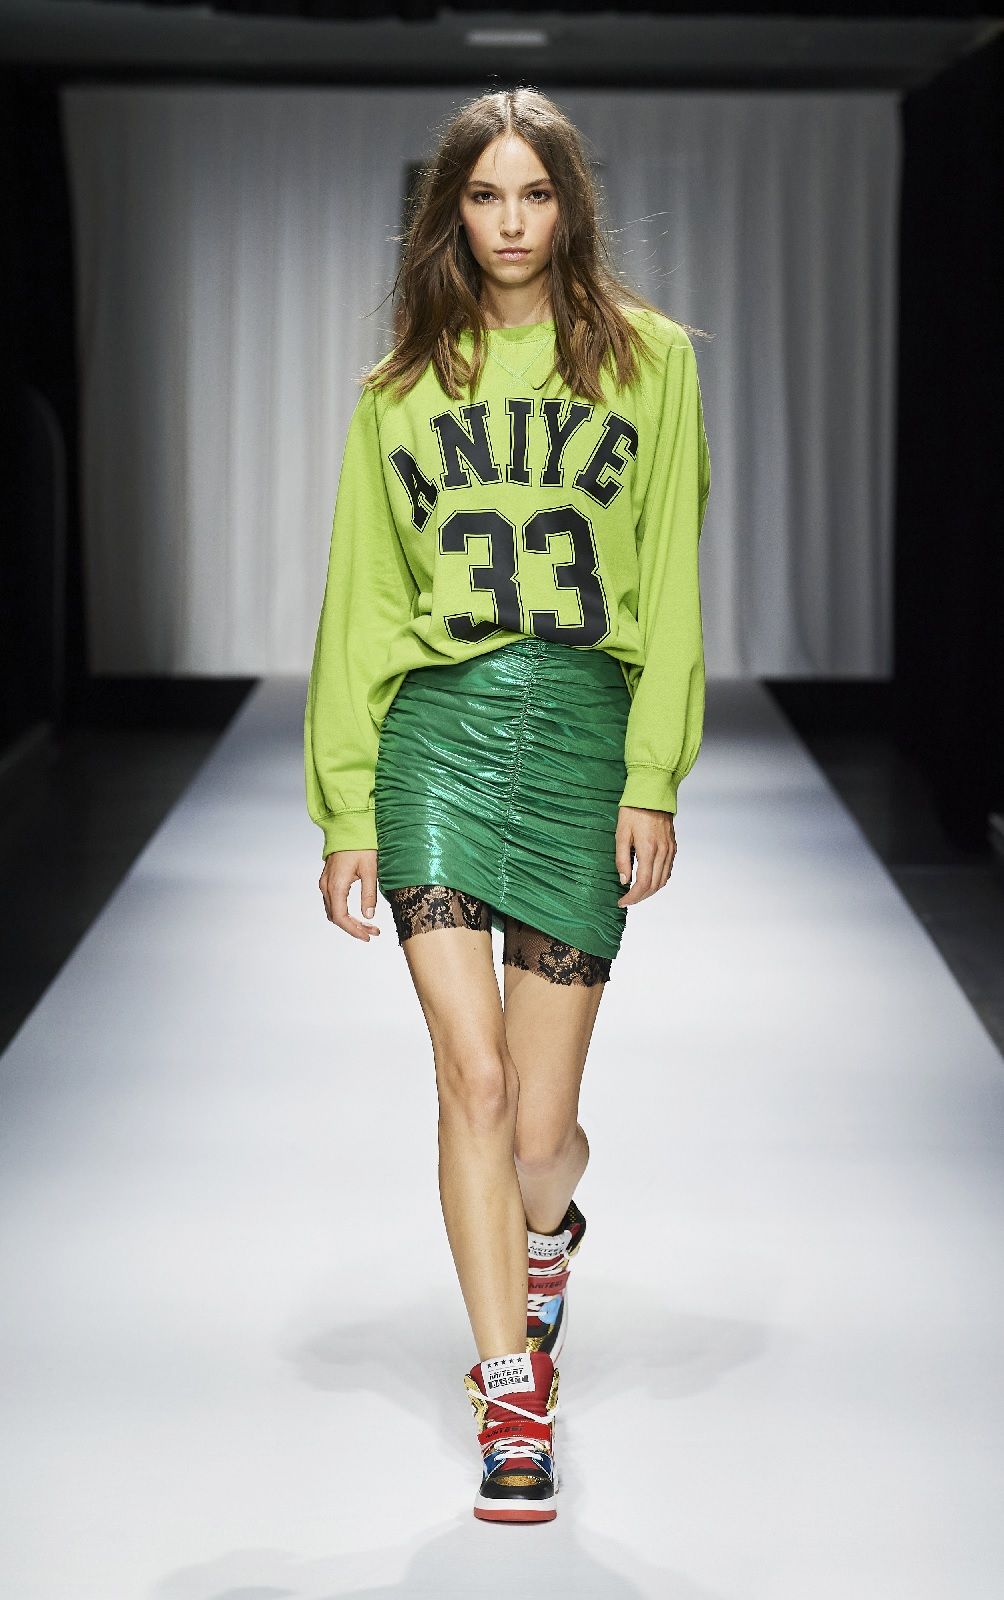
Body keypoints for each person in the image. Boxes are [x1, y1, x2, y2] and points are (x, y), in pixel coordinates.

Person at [304, 86, 711, 1524]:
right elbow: (362, 603)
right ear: (452, 214)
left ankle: (546, 1240)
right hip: (437, 740)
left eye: (536, 193)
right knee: (470, 1083)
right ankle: (510, 1390)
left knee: (541, 1134)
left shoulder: (653, 364)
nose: (513, 221)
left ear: (570, 205)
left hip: (586, 741)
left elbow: (670, 582)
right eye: (486, 196)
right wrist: (346, 808)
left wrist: (654, 775)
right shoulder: (398, 390)